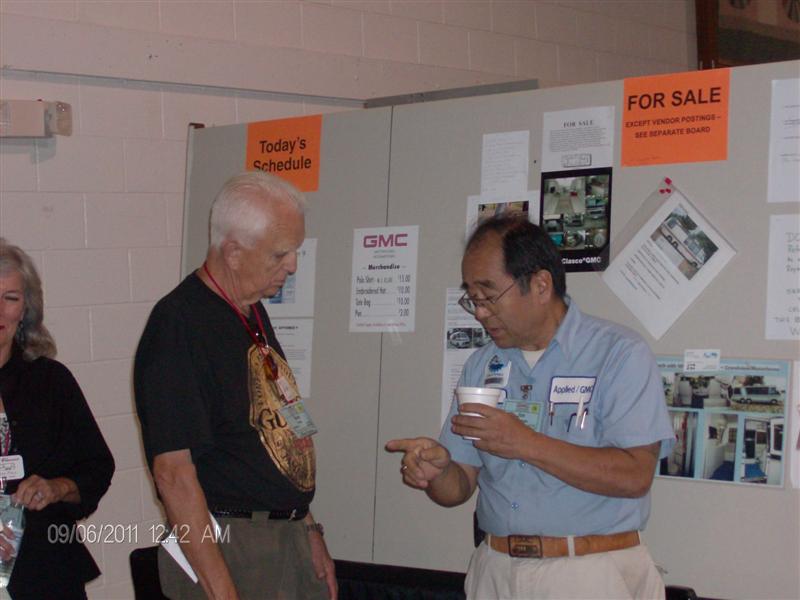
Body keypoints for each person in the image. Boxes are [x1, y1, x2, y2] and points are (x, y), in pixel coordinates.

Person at [387, 216, 675, 600]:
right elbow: (459, 487)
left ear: (540, 285)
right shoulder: (482, 364)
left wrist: (524, 442)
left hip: (590, 572)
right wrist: (437, 470)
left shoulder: (619, 354)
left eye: (488, 296)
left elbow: (636, 475)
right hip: (496, 570)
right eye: (472, 298)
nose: (480, 312)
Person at [134, 171, 337, 600]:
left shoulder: (250, 313)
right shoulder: (179, 325)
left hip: (285, 540)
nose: (293, 266)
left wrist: (307, 525)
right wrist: (223, 592)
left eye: (296, 251)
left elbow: (274, 440)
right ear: (233, 252)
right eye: (281, 254)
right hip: (231, 546)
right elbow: (174, 475)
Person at [0, 239, 115, 600]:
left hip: (44, 568)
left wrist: (57, 487)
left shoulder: (51, 381)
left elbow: (98, 466)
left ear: (26, 309)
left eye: (10, 298)